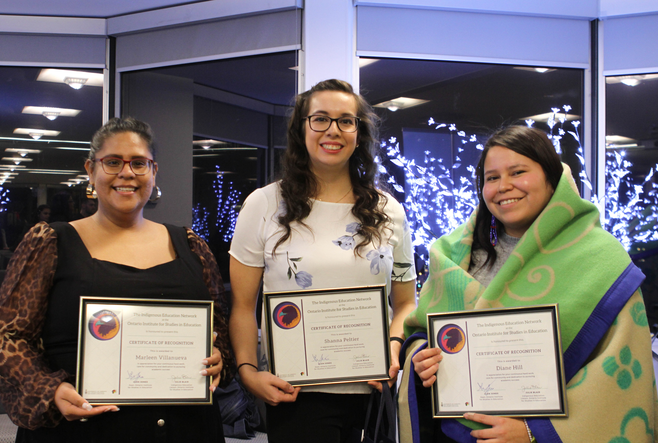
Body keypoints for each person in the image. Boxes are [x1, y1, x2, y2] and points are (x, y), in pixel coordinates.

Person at [398, 125, 658, 442]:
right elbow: (420, 330)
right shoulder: (455, 254)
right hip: (458, 433)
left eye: (517, 172)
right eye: (492, 178)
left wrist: (534, 432)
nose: (503, 186)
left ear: (552, 180)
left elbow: (617, 375)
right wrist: (424, 356)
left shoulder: (600, 258)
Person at [0, 117, 234, 443]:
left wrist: (217, 356)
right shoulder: (50, 242)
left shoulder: (191, 245)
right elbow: (8, 337)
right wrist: (48, 391)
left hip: (186, 428)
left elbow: (221, 330)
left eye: (139, 163)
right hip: (80, 431)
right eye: (112, 162)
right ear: (90, 169)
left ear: (154, 171)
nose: (126, 173)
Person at [229, 79, 417, 443]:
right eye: (320, 119)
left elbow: (406, 303)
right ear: (302, 129)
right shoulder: (264, 205)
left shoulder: (387, 210)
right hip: (295, 393)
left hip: (373, 392)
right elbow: (241, 306)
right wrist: (249, 372)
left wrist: (393, 348)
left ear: (359, 133)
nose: (333, 130)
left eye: (346, 121)